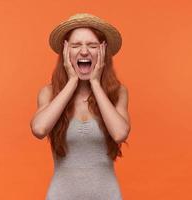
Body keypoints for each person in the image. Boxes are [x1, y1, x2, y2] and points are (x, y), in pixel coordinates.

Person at [30, 13, 131, 200]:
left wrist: (95, 83)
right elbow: (39, 129)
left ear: (103, 52)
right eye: (76, 45)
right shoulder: (48, 93)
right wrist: (72, 82)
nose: (84, 52)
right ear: (66, 52)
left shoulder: (118, 93)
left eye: (92, 46)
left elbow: (119, 133)